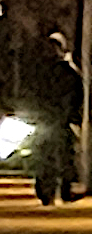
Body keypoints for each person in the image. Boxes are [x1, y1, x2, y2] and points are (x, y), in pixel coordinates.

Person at [35, 32, 88, 208]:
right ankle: (49, 190)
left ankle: (60, 190)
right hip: (51, 120)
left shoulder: (64, 72)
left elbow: (76, 97)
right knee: (50, 157)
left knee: (62, 157)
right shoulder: (50, 71)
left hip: (59, 121)